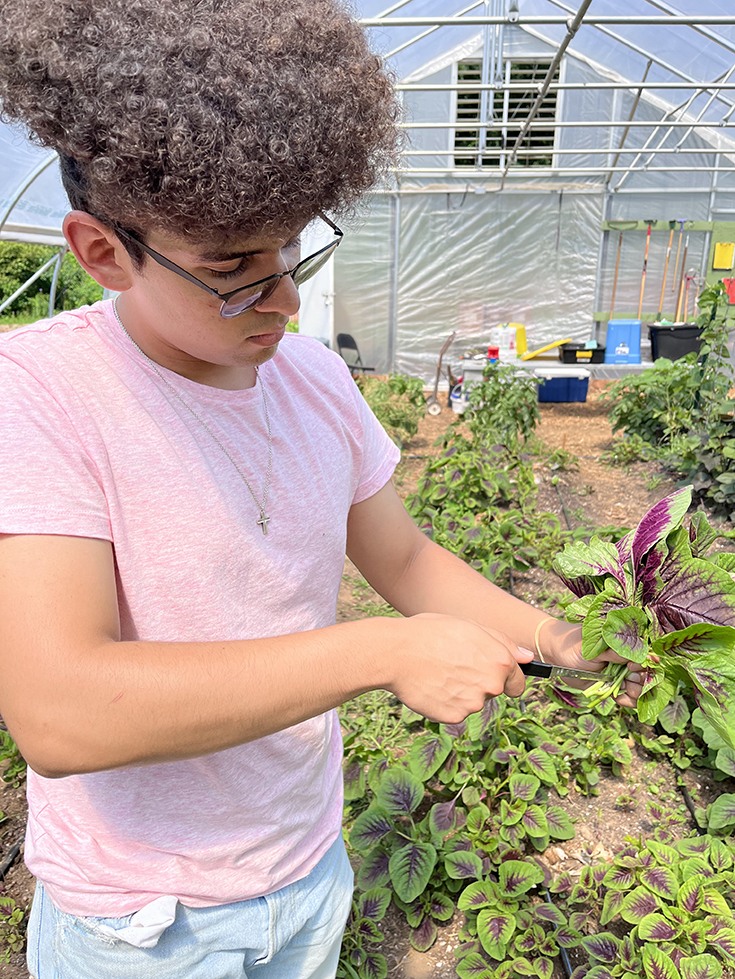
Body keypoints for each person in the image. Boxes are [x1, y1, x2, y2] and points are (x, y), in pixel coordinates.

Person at [0, 2, 641, 976]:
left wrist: (560, 641)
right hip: (146, 920)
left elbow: (408, 558)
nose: (286, 301)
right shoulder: (42, 394)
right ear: (101, 252)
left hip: (305, 869)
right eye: (233, 271)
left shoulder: (315, 378)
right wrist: (380, 652)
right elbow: (62, 712)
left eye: (292, 250)